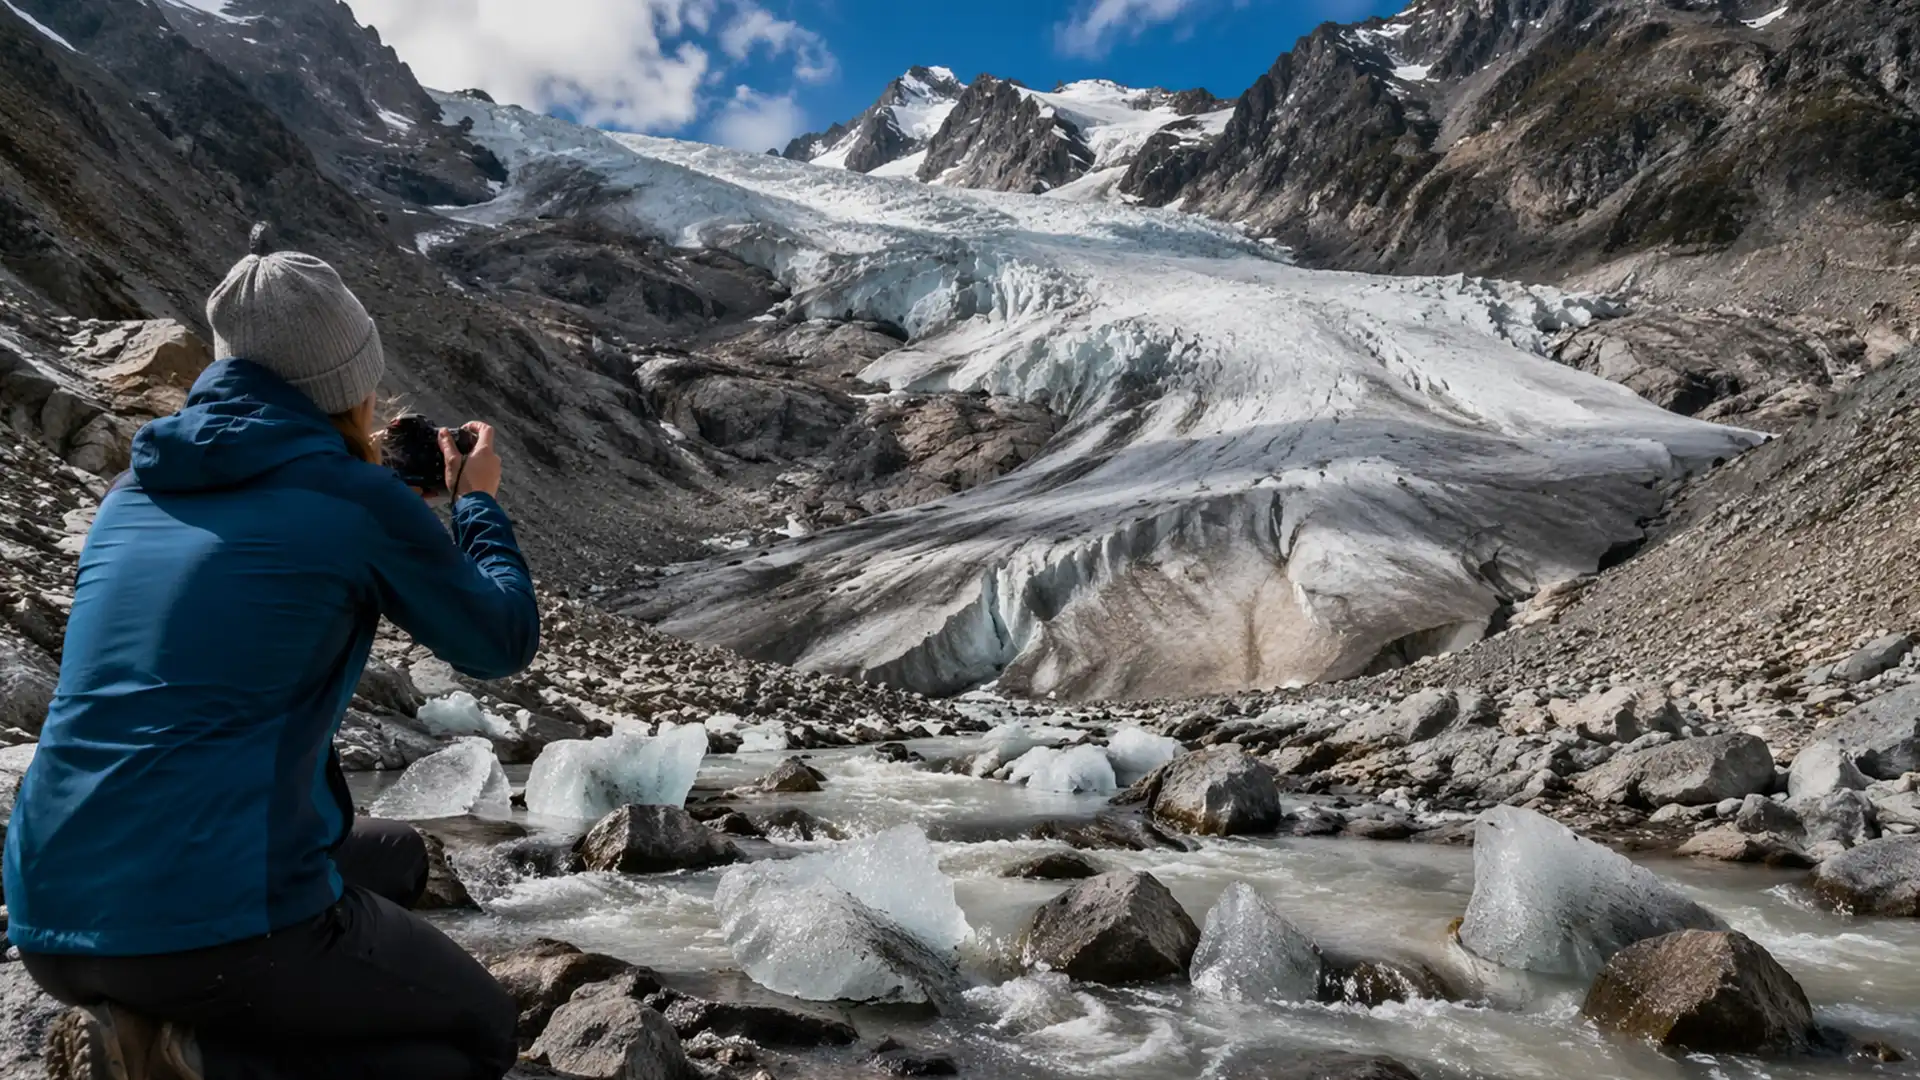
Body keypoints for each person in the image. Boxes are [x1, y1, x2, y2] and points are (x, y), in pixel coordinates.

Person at [2, 239, 541, 1080]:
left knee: (397, 857)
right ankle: (188, 1056)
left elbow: (266, 547)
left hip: (48, 910)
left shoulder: (132, 492)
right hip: (205, 920)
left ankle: (162, 1013)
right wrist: (475, 503)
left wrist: (382, 492)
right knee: (479, 1037)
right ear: (348, 379)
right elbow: (500, 639)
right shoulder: (358, 502)